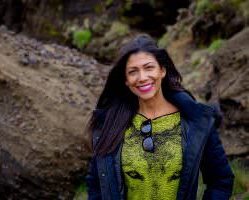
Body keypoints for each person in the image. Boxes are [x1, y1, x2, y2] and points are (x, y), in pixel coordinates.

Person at [85, 34, 234, 200]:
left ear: (162, 70)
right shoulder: (110, 125)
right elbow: (96, 183)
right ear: (126, 80)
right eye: (133, 72)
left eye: (149, 68)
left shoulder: (197, 123)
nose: (142, 77)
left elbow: (221, 181)